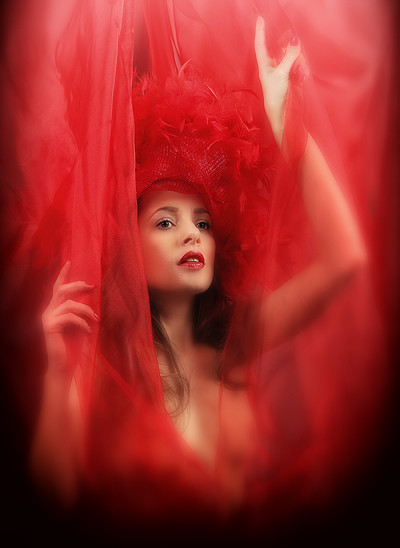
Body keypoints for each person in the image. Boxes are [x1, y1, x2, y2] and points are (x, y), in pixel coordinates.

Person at [30, 15, 366, 535]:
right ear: (127, 243)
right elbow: (52, 496)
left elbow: (346, 259)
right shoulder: (103, 363)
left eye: (203, 222)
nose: (191, 235)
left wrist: (287, 128)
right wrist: (57, 373)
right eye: (166, 222)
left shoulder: (237, 340)